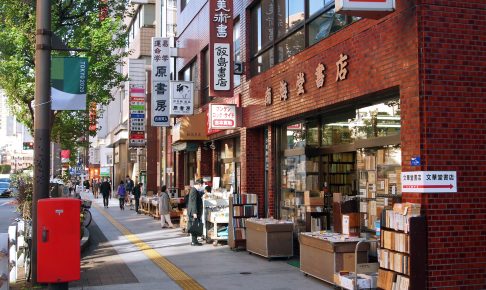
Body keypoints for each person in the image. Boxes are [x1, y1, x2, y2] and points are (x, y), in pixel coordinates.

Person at [187, 179, 204, 246]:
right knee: (194, 226)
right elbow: (193, 202)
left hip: (194, 211)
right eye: (201, 185)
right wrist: (194, 213)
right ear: (199, 184)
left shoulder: (194, 190)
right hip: (193, 212)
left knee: (194, 226)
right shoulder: (194, 190)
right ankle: (194, 242)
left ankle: (195, 241)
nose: (201, 186)